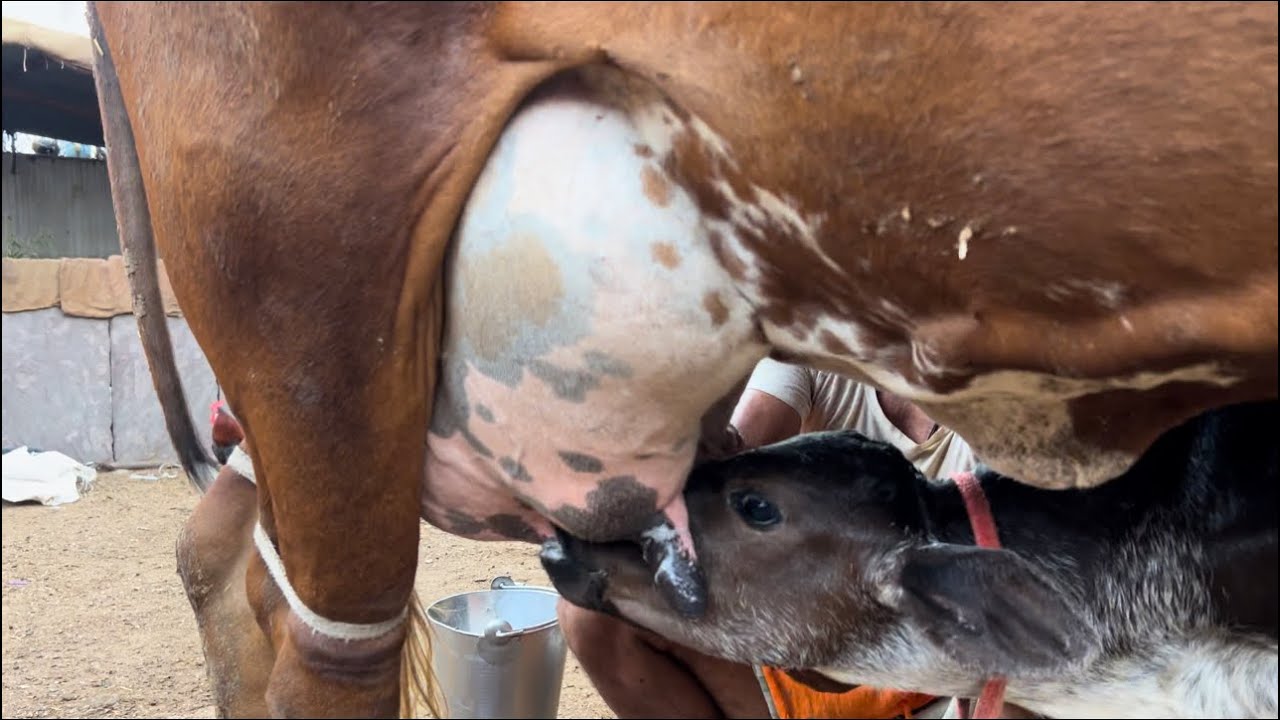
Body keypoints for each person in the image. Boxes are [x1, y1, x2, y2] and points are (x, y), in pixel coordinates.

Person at [555, 357, 979, 719]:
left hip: (911, 662)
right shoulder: (819, 352)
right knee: (598, 612)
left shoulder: (999, 409)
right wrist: (698, 442)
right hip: (792, 626)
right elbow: (740, 450)